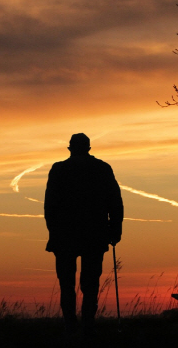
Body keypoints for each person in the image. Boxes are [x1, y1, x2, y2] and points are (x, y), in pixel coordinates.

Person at [44, 133, 124, 335]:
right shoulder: (102, 169)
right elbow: (115, 202)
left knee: (66, 284)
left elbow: (49, 206)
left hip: (65, 235)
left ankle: (70, 324)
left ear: (70, 148)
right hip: (94, 234)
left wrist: (53, 231)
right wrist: (115, 230)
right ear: (88, 148)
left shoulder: (59, 170)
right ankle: (88, 324)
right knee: (90, 284)